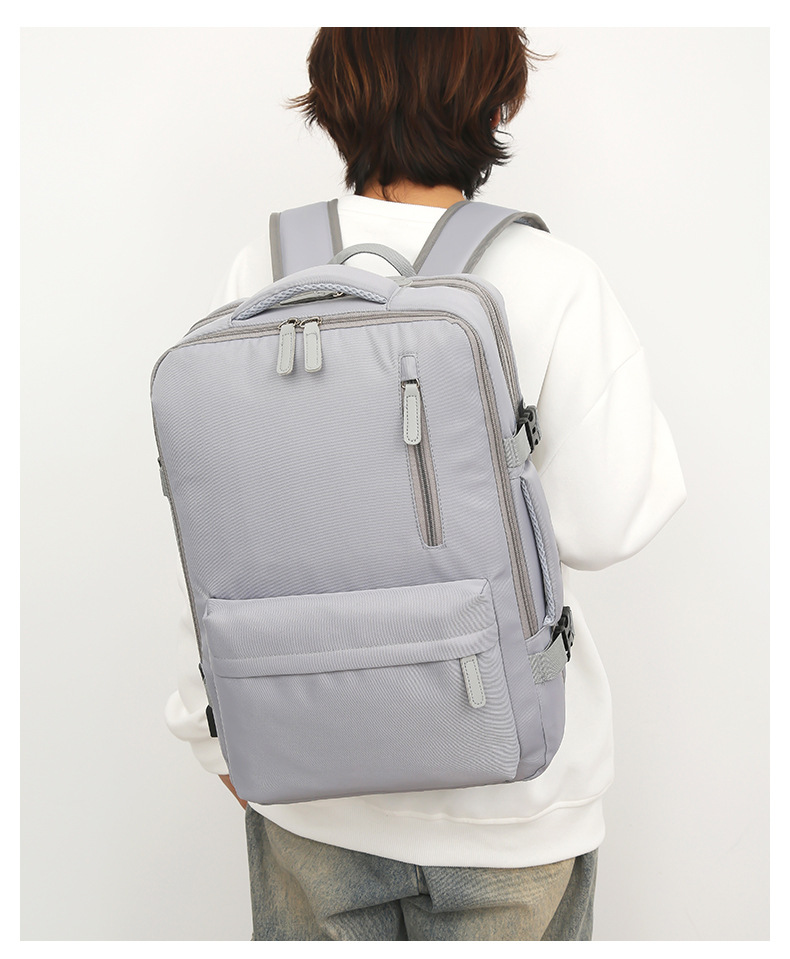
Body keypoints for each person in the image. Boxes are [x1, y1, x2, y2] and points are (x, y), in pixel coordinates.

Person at [164, 27, 686, 941]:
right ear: (499, 98)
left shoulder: (268, 266)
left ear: (333, 95)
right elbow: (607, 521)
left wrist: (210, 727)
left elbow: (216, 526)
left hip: (310, 787)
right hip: (513, 800)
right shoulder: (554, 277)